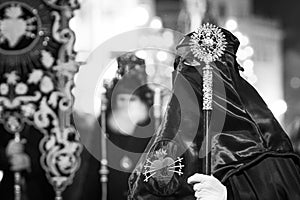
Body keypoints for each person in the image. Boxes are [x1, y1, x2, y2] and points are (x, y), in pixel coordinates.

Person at [128, 25, 300, 200]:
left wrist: (228, 196)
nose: (189, 83)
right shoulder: (168, 146)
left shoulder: (266, 148)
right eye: (185, 71)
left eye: (200, 71)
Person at [68, 52, 155, 200]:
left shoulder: (153, 130)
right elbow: (91, 173)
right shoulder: (104, 127)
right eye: (122, 99)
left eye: (132, 99)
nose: (126, 105)